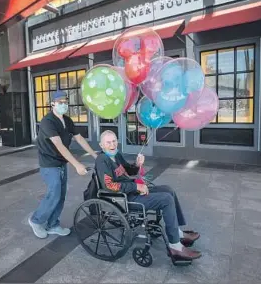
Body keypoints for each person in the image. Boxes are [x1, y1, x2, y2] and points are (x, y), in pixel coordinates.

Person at [95, 130, 202, 261]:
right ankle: (175, 246)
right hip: (123, 198)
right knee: (166, 199)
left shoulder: (116, 155)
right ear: (101, 145)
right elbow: (109, 186)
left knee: (168, 190)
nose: (112, 144)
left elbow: (130, 170)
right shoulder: (102, 160)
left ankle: (177, 233)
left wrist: (138, 164)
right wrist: (136, 186)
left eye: (114, 141)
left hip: (132, 190)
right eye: (108, 142)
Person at [29, 90, 98, 239]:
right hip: (49, 164)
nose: (64, 105)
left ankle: (53, 224)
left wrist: (94, 155)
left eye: (66, 102)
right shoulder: (48, 121)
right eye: (60, 102)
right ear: (52, 103)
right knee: (54, 194)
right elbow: (60, 146)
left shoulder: (67, 121)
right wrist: (77, 165)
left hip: (61, 163)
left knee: (61, 195)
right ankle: (36, 220)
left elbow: (79, 138)